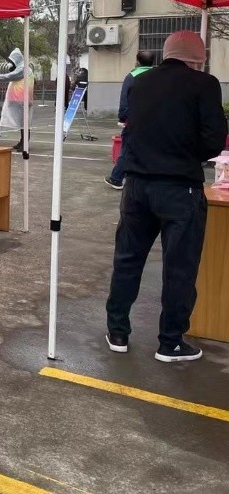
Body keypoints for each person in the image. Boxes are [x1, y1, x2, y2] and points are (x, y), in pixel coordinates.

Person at [104, 31, 227, 362]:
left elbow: (130, 129)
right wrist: (186, 154)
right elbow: (214, 141)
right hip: (179, 188)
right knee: (179, 267)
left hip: (137, 186)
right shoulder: (205, 85)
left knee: (127, 259)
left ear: (167, 52)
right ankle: (170, 341)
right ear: (198, 58)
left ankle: (118, 331)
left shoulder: (141, 82)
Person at [104, 50, 155, 190]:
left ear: (137, 61)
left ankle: (116, 178)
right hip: (155, 120)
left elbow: (124, 99)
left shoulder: (132, 76)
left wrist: (123, 117)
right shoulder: (159, 76)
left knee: (127, 149)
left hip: (135, 120)